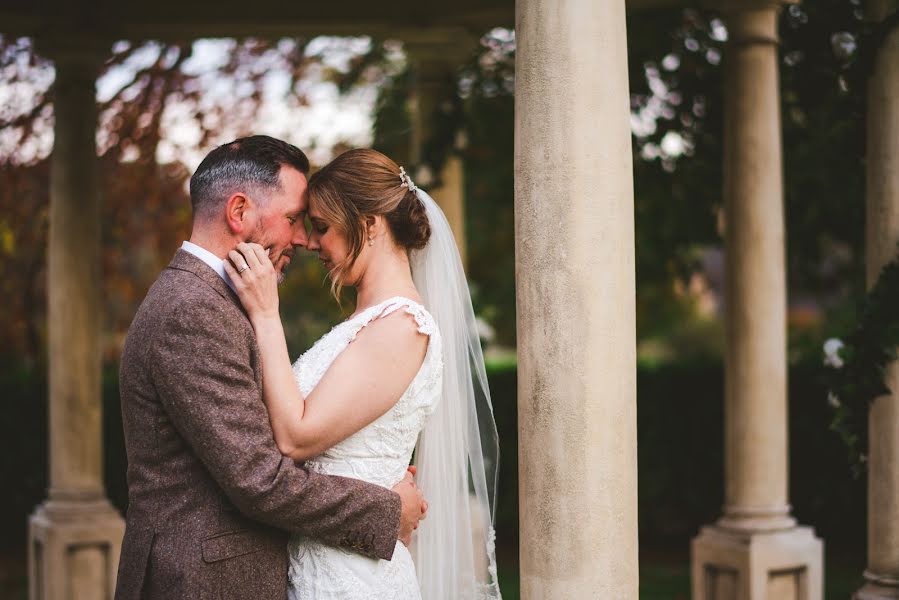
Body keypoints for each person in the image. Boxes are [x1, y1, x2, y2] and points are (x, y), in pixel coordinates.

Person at [115, 136, 426, 600]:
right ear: (239, 212)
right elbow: (259, 479)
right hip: (204, 583)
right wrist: (385, 508)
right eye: (294, 220)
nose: (303, 239)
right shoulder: (192, 310)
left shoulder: (217, 300)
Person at [225, 148, 502, 599]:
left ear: (369, 225)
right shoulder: (369, 324)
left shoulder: (400, 327)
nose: (312, 243)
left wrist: (266, 314)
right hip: (327, 559)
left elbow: (295, 437)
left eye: (322, 228)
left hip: (355, 579)